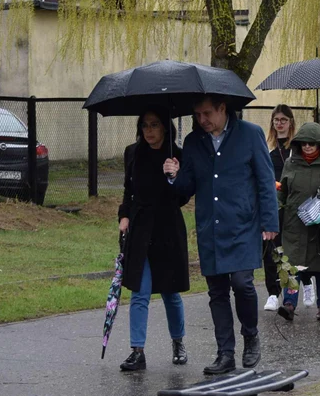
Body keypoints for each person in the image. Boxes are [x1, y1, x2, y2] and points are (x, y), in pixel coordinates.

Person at [172, 96, 278, 376]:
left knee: (242, 284)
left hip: (243, 225)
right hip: (211, 228)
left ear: (222, 108)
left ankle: (251, 335)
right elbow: (187, 187)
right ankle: (225, 353)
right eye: (197, 114)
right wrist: (174, 175)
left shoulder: (250, 134)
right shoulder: (195, 142)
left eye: (207, 113)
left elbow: (266, 181)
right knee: (217, 291)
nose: (202, 119)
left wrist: (270, 222)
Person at [116, 109, 189, 372]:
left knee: (170, 292)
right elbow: (128, 190)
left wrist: (174, 176)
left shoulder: (177, 154)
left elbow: (183, 197)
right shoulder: (133, 153)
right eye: (145, 125)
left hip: (167, 229)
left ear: (165, 127)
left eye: (155, 125)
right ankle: (137, 350)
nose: (149, 130)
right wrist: (124, 216)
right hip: (140, 229)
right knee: (140, 291)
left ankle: (178, 342)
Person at [277, 123, 320, 321]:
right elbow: (282, 192)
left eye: (312, 143)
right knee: (292, 264)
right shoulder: (290, 163)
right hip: (294, 223)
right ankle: (289, 304)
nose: (307, 147)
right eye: (303, 143)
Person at [262, 104, 295, 312]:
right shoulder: (268, 149)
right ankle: (273, 292)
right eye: (276, 120)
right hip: (273, 206)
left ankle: (294, 288)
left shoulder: (296, 149)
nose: (280, 123)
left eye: (283, 119)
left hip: (292, 206)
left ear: (290, 122)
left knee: (291, 250)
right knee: (271, 249)